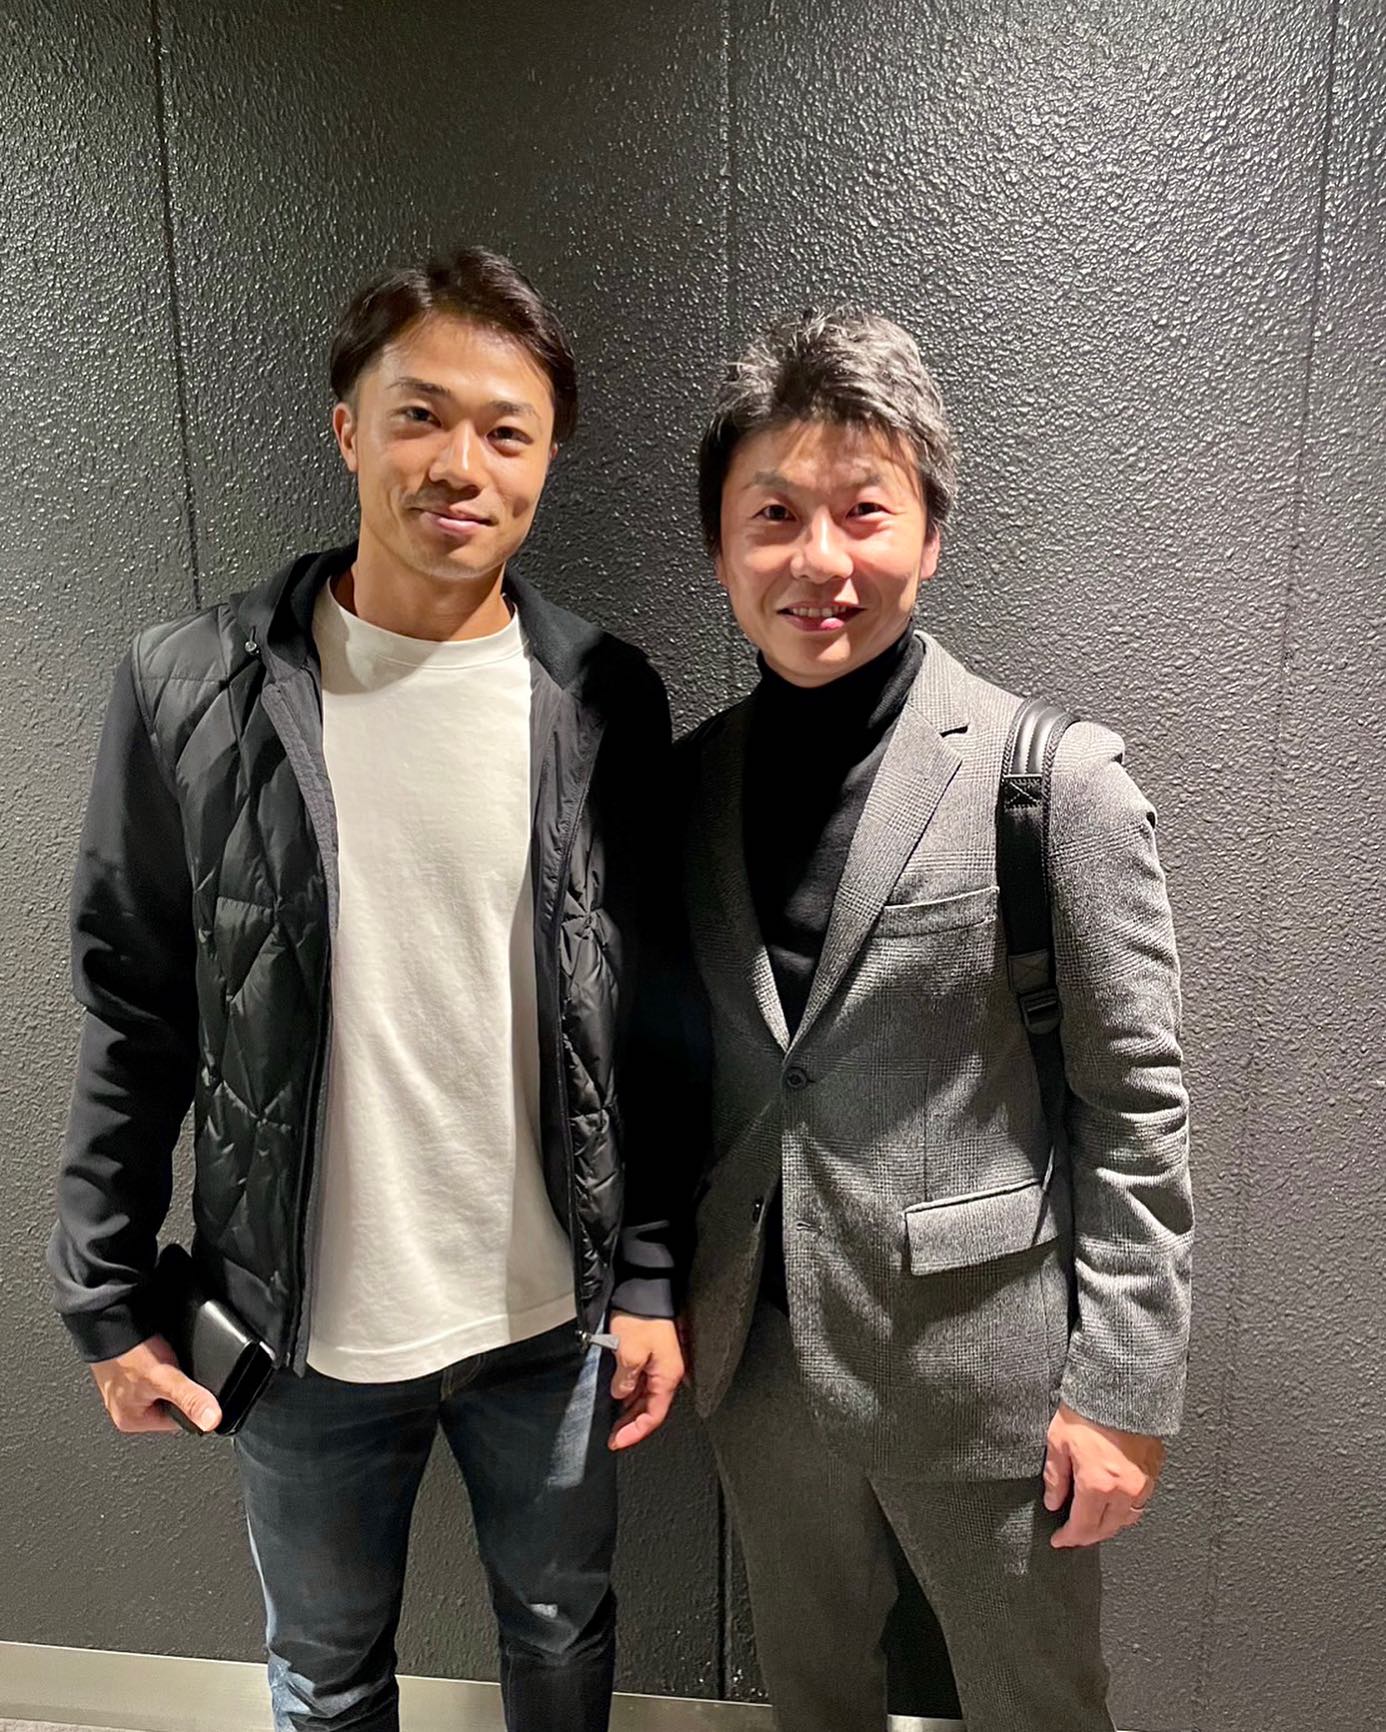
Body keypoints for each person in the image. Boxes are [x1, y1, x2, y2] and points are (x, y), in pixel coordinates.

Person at [48, 245, 686, 1732]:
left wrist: (650, 1276)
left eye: (507, 431)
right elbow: (134, 1007)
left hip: (552, 1319)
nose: (461, 464)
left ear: (545, 461)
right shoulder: (190, 687)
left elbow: (650, 1016)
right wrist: (107, 1294)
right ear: (348, 429)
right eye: (420, 415)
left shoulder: (604, 698)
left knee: (562, 1637)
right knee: (325, 1678)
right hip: (302, 1324)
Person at [678, 306, 1193, 1731]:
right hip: (759, 1363)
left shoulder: (1053, 782)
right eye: (773, 515)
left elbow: (1135, 1105)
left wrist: (1123, 1389)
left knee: (1036, 1705)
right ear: (721, 547)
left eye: (863, 510)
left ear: (930, 533)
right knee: (811, 1693)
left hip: (988, 1374)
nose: (819, 559)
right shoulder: (689, 789)